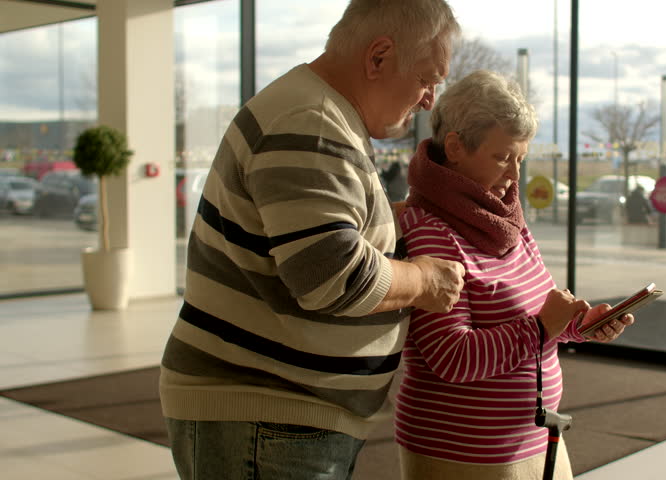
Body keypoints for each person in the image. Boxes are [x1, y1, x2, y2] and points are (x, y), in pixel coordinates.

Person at [158, 2, 464, 479]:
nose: (429, 99)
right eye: (427, 78)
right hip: (268, 419)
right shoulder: (313, 122)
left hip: (276, 421)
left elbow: (320, 236)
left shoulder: (320, 114)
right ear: (378, 57)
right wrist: (424, 279)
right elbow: (332, 275)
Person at [394, 70, 635, 480]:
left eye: (521, 158)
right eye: (504, 157)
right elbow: (452, 358)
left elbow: (536, 313)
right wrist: (543, 327)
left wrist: (577, 326)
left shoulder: (505, 220)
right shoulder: (428, 229)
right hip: (464, 452)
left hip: (536, 442)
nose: (515, 176)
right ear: (455, 147)